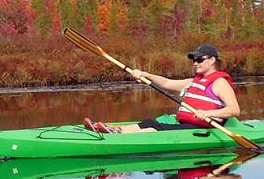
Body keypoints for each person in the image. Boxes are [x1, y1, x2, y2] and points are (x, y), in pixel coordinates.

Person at [83, 44, 240, 134]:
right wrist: (145, 74)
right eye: (193, 59)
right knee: (149, 122)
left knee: (157, 127)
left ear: (212, 60)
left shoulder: (219, 82)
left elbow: (234, 110)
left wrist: (208, 113)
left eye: (199, 59)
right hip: (187, 124)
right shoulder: (194, 81)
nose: (195, 63)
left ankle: (117, 136)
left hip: (201, 128)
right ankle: (114, 130)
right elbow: (166, 83)